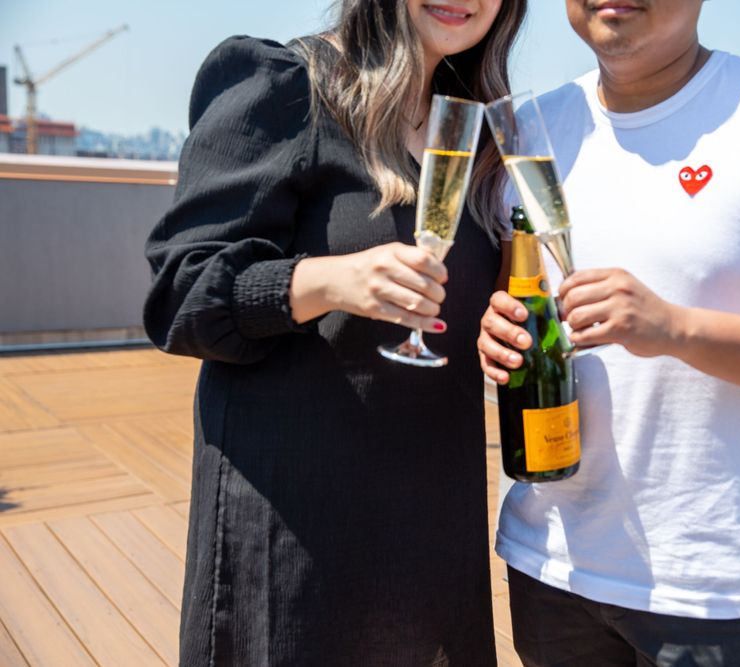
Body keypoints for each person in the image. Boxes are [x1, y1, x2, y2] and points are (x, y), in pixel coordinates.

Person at [478, 1, 740, 665]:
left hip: (713, 589)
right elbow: (517, 299)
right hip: (548, 562)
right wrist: (498, 329)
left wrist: (674, 327)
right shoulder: (531, 128)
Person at [143, 1, 526, 663]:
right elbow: (180, 297)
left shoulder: (476, 132)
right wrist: (326, 281)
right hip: (299, 535)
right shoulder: (286, 85)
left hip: (433, 529)